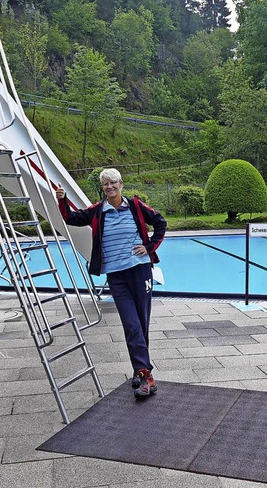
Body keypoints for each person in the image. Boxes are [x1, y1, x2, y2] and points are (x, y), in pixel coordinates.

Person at [55, 168, 166, 398]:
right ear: (102, 187)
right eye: (105, 184)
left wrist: (149, 246)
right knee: (131, 323)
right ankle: (145, 372)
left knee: (140, 322)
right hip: (116, 275)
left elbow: (160, 223)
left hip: (140, 269)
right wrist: (63, 200)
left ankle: (141, 370)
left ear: (121, 184)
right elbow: (70, 218)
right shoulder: (98, 211)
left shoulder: (135, 206)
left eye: (113, 182)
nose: (109, 187)